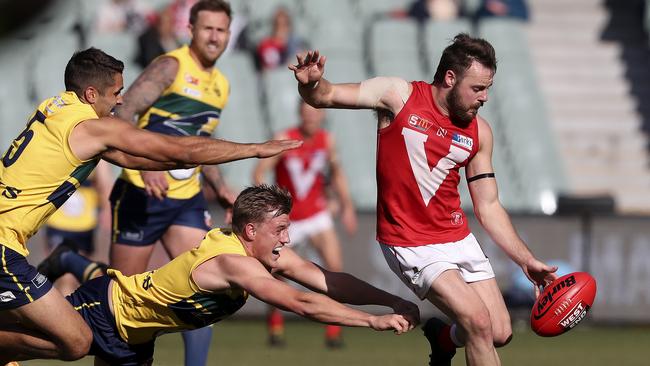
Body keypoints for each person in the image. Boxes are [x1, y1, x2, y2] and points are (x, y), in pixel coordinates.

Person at [0, 46, 299, 364]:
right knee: (76, 342)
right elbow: (180, 151)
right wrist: (254, 148)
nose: (119, 101)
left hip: (9, 244)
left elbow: (132, 157)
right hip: (4, 246)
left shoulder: (56, 107)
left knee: (33, 323)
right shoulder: (93, 127)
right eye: (115, 92)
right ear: (90, 93)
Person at [289, 34, 558, 366]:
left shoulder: (480, 132)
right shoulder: (398, 95)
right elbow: (325, 95)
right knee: (479, 322)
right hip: (410, 242)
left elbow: (488, 206)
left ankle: (443, 339)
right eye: (477, 88)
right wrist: (311, 85)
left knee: (499, 331)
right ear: (449, 77)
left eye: (488, 88)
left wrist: (525, 260)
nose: (485, 98)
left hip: (456, 237)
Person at [36, 185, 419, 365]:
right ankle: (66, 264)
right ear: (251, 231)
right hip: (104, 309)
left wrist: (392, 300)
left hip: (136, 337)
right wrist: (372, 320)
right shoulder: (234, 263)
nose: (287, 238)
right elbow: (301, 302)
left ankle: (67, 261)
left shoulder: (260, 251)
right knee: (34, 347)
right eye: (281, 229)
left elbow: (327, 280)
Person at [110, 1, 242, 364]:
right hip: (141, 194)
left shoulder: (222, 85)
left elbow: (202, 145)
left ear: (229, 34)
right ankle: (71, 263)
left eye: (221, 30)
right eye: (207, 29)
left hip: (186, 198)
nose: (214, 37)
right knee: (122, 295)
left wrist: (221, 188)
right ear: (192, 30)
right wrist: (146, 161)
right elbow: (124, 110)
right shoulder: (171, 65)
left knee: (202, 286)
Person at [253, 101, 357, 348]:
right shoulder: (285, 139)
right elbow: (259, 172)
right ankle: (276, 326)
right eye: (306, 113)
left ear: (321, 114)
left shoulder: (327, 140)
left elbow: (337, 173)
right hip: (288, 219)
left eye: (315, 113)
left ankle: (334, 331)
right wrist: (269, 207)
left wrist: (347, 206)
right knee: (276, 273)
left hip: (317, 215)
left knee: (334, 269)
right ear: (299, 114)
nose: (310, 118)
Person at [43, 160, 113, 295]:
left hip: (84, 226)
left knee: (78, 277)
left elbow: (105, 184)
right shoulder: (58, 149)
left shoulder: (97, 153)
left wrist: (106, 210)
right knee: (65, 277)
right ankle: (66, 313)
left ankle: (73, 311)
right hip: (58, 223)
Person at [255, 7, 308, 71]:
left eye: (284, 25)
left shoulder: (297, 45)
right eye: (277, 25)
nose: (280, 30)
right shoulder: (265, 45)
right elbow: (264, 69)